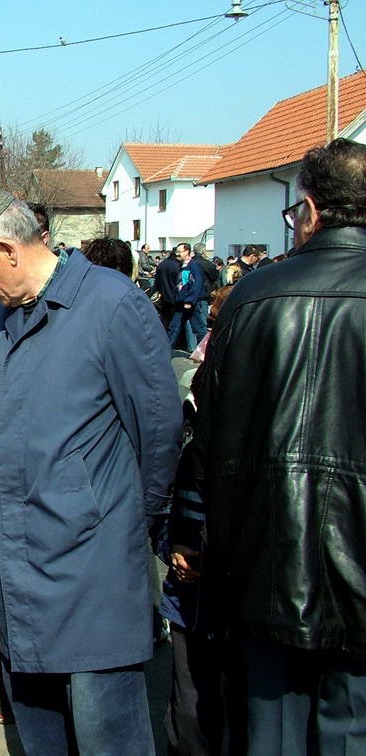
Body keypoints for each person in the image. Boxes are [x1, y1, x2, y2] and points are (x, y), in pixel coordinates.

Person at [0, 188, 180, 756]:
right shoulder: (14, 318)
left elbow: (158, 431)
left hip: (93, 566)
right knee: (41, 730)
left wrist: (123, 520)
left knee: (108, 735)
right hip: (25, 565)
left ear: (7, 248)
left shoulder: (111, 304)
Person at [194, 138, 366, 754]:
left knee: (269, 735)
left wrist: (202, 531)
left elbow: (206, 431)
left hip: (263, 557)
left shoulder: (252, 297)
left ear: (311, 211)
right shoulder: (251, 296)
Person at [166, 243, 205, 351]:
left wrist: (190, 300)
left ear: (187, 251)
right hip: (181, 302)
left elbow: (196, 283)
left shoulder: (193, 266)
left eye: (180, 251)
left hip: (190, 303)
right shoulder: (181, 266)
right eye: (176, 251)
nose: (177, 254)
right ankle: (166, 352)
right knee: (174, 327)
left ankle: (204, 352)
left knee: (199, 328)